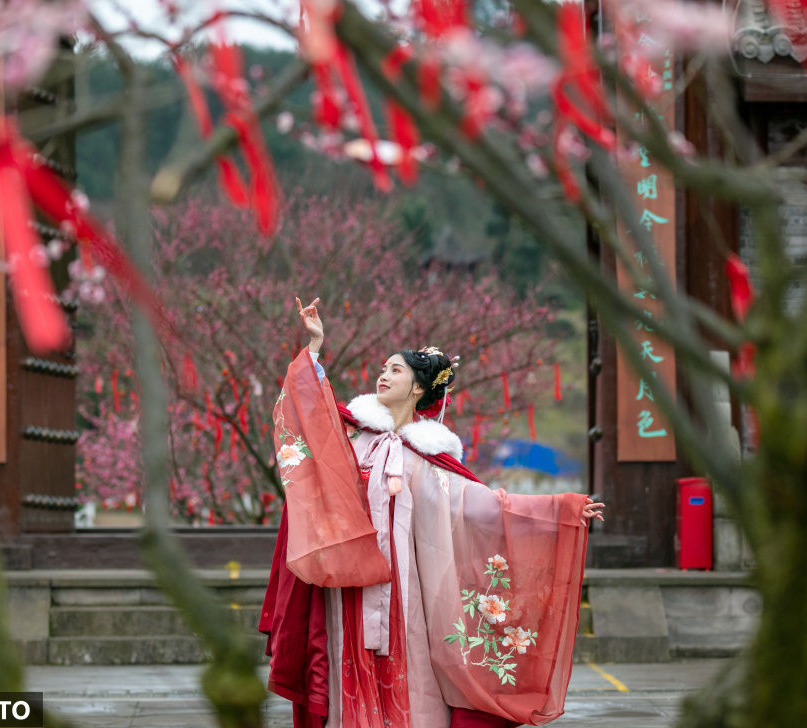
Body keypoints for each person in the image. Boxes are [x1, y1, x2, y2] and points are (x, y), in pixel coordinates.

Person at [259, 297, 605, 728]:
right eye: (383, 369)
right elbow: (308, 417)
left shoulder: (428, 456)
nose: (384, 376)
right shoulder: (351, 438)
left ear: (419, 388)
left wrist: (560, 510)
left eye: (396, 370)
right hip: (346, 588)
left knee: (413, 678)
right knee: (344, 680)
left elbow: (487, 508)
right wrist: (314, 347)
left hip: (406, 594)